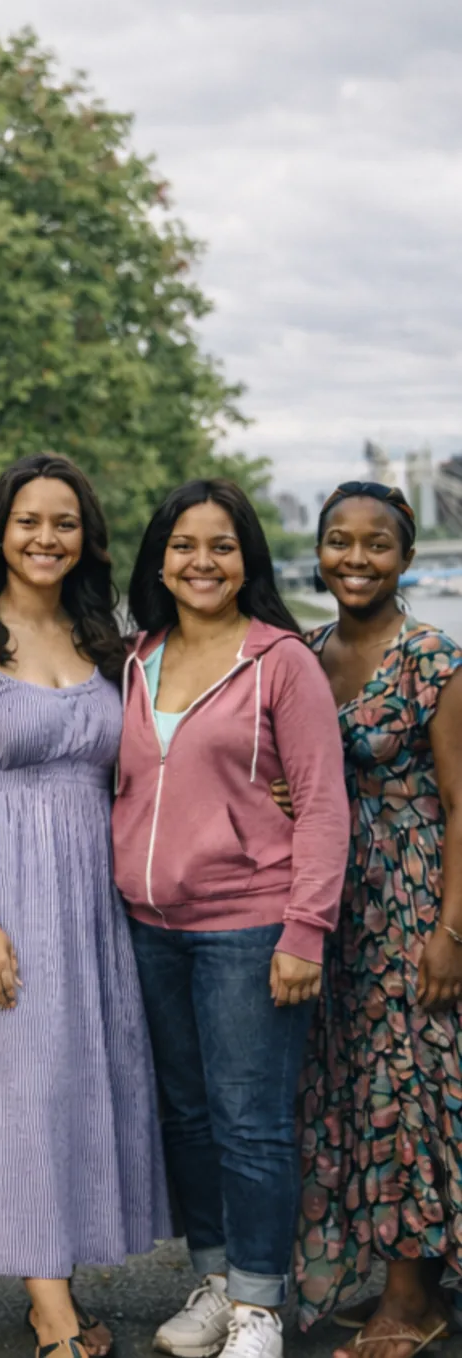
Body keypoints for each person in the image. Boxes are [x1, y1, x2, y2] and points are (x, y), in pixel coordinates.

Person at [0, 454, 170, 1358]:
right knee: (14, 1087)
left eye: (64, 523)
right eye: (29, 521)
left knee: (76, 1081)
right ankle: (54, 1313)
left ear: (85, 539)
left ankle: (53, 1284)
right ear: (1, 529)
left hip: (89, 894)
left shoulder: (108, 636)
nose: (46, 538)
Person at [113, 478, 350, 1358]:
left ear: (245, 557)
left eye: (220, 545)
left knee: (252, 1122)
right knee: (187, 1115)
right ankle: (213, 1281)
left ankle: (259, 1307)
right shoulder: (135, 656)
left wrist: (304, 930)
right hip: (149, 927)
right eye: (183, 545)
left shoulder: (281, 660)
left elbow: (324, 805)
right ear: (161, 559)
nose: (201, 561)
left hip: (250, 925)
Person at [294, 482, 462, 1358]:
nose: (355, 558)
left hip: (414, 892)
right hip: (331, 899)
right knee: (352, 1080)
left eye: (376, 545)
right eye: (338, 541)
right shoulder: (304, 652)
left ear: (407, 558)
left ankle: (414, 1297)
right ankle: (387, 1272)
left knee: (414, 1084)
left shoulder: (436, 658)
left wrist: (451, 932)